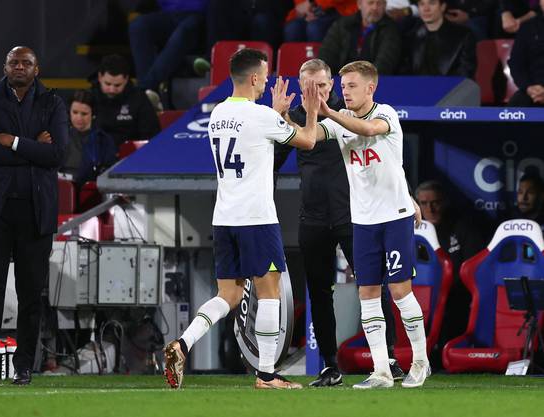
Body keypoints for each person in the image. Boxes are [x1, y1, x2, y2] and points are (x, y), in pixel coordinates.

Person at [163, 48, 321, 390]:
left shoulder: (218, 113)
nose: (266, 80)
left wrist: (275, 114)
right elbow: (307, 140)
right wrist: (307, 113)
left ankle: (183, 344)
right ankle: (266, 374)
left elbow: (253, 140)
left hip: (225, 217)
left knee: (229, 295)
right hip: (257, 217)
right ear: (253, 78)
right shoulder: (261, 116)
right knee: (269, 292)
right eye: (264, 75)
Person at [273, 58, 404, 386]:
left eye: (321, 85)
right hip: (313, 218)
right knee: (318, 292)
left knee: (372, 285)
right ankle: (330, 366)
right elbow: (274, 161)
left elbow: (385, 160)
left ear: (330, 85)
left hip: (352, 216)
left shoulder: (346, 114)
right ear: (301, 86)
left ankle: (386, 357)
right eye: (308, 86)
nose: (316, 91)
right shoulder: (297, 119)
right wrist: (280, 118)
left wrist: (408, 196)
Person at [315, 60, 429, 389]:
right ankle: (380, 370)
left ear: (370, 88)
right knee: (367, 292)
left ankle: (420, 362)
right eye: (343, 86)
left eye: (351, 86)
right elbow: (307, 138)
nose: (345, 92)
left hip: (394, 215)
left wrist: (329, 112)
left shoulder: (386, 114)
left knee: (399, 290)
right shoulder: (338, 119)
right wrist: (293, 114)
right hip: (362, 220)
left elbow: (367, 130)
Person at [0, 46, 68, 386]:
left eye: (26, 62)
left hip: (36, 211)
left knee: (31, 293)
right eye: (13, 62)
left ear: (37, 69)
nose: (19, 67)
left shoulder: (52, 102)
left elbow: (57, 155)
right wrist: (34, 146)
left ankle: (24, 367)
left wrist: (14, 142)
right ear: (5, 67)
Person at [414, 180, 485, 365]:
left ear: (444, 202)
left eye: (435, 202)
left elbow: (475, 270)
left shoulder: (462, 227)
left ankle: (446, 355)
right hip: (421, 298)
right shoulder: (411, 232)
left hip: (456, 298)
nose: (430, 208)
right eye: (424, 203)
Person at [128, 0, 207, 110]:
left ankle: (145, 90)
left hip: (201, 14)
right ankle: (150, 94)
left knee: (183, 33)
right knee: (138, 26)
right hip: (169, 14)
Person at [92, 54, 160, 147]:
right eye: (107, 84)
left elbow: (151, 136)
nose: (112, 89)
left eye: (117, 85)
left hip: (132, 156)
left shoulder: (139, 99)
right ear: (100, 77)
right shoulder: (89, 97)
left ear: (126, 79)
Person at [318, 0, 402, 76]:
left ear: (385, 6)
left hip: (373, 84)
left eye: (379, 3)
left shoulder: (391, 30)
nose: (375, 7)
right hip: (341, 81)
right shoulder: (342, 26)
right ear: (359, 4)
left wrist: (361, 82)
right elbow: (326, 55)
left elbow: (384, 64)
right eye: (371, 3)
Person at [401, 0, 476, 78]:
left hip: (452, 89)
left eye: (432, 3)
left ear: (442, 7)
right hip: (417, 88)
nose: (426, 9)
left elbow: (465, 76)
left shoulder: (464, 36)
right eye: (422, 4)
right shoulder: (410, 38)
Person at [61, 90, 116, 185]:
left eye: (84, 114)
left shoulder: (104, 141)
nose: (79, 118)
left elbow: (109, 173)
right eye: (75, 112)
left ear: (93, 114)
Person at [507, 1, 544, 107]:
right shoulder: (527, 28)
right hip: (533, 90)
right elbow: (516, 63)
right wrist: (529, 88)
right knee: (515, 107)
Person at [283, 1, 358, 42]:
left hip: (342, 10)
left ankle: (319, 68)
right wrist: (305, 9)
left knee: (314, 28)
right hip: (314, 9)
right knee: (292, 29)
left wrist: (313, 2)